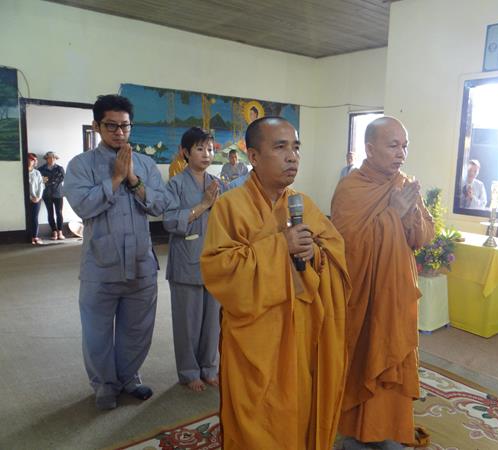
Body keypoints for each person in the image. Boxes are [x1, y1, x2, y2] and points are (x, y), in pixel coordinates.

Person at [200, 117, 351, 450]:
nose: (292, 156)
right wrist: (281, 246)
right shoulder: (229, 207)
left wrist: (314, 253)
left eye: (296, 148)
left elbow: (334, 254)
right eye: (281, 147)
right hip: (255, 336)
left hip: (300, 331)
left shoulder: (304, 205)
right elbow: (220, 270)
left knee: (298, 408)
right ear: (253, 156)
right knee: (255, 416)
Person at [331, 116, 434, 449]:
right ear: (370, 148)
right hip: (364, 295)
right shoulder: (351, 188)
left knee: (395, 355)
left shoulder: (405, 185)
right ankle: (357, 432)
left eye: (405, 146)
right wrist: (392, 214)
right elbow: (345, 246)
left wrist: (408, 213)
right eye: (393, 145)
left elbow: (423, 237)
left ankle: (390, 430)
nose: (401, 153)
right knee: (364, 356)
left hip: (396, 291)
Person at [63, 94, 168, 410]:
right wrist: (116, 178)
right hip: (100, 266)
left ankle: (128, 378)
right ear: (96, 126)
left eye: (125, 126)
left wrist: (133, 179)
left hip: (141, 264)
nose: (120, 132)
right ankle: (104, 385)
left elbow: (160, 205)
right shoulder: (80, 165)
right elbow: (83, 205)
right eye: (111, 126)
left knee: (136, 330)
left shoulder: (145, 164)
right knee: (96, 333)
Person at [163, 127, 221, 392]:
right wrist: (204, 205)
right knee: (188, 322)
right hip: (186, 261)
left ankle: (209, 368)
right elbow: (170, 221)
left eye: (209, 149)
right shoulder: (175, 184)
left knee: (212, 322)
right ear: (185, 152)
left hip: (213, 259)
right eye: (199, 148)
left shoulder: (217, 183)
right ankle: (189, 372)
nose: (206, 154)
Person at [38, 151, 65, 240]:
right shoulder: (41, 169)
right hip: (47, 194)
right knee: (50, 213)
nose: (52, 159)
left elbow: (61, 179)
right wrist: (49, 181)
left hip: (58, 193)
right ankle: (54, 231)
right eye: (49, 157)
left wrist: (49, 181)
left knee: (59, 212)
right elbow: (40, 180)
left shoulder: (60, 168)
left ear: (56, 158)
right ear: (46, 159)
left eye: (53, 157)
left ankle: (60, 231)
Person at [27, 153, 44, 245]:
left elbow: (41, 185)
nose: (31, 161)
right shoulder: (22, 172)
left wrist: (38, 197)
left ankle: (35, 236)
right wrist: (29, 197)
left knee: (34, 218)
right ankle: (29, 237)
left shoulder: (37, 173)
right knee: (27, 218)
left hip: (36, 199)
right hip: (26, 199)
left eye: (33, 160)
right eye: (30, 159)